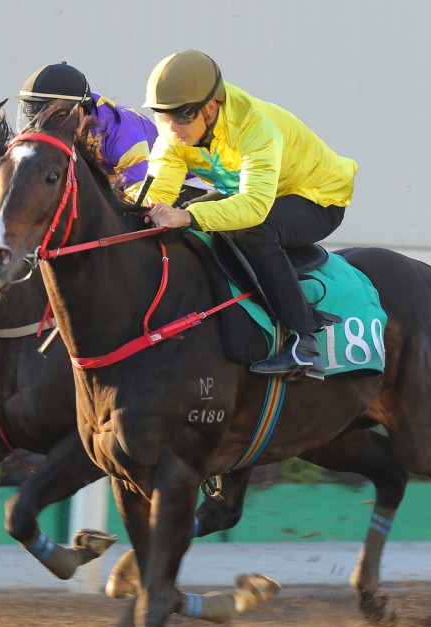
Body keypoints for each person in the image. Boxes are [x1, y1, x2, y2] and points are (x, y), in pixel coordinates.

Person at [140, 50, 358, 380]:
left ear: (210, 107)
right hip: (256, 194)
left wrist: (188, 216)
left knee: (252, 230)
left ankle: (304, 343)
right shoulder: (174, 134)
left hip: (318, 199)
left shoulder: (255, 126)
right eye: (162, 116)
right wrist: (146, 213)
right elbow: (158, 197)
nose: (172, 128)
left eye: (181, 116)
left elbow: (255, 208)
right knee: (182, 215)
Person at [19, 62, 206, 202]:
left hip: (188, 181)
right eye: (31, 118)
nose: (39, 130)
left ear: (79, 112)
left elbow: (141, 199)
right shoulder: (77, 127)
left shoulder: (123, 135)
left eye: (48, 119)